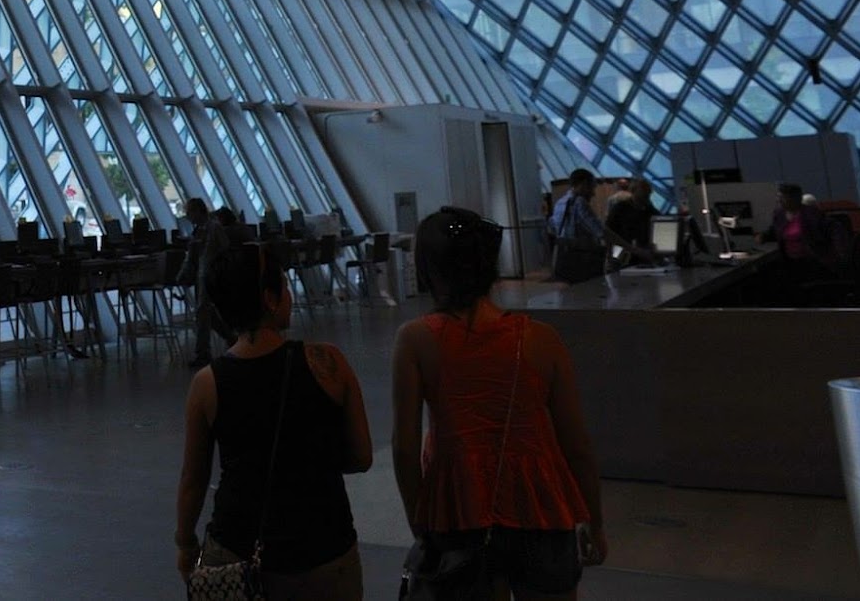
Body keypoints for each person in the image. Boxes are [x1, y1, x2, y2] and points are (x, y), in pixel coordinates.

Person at [393, 207, 606, 600]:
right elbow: (576, 445)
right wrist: (594, 520)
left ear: (430, 270)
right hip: (540, 502)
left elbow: (404, 449)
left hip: (458, 507)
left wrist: (418, 521)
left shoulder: (415, 340)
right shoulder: (541, 339)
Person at [174, 242, 371, 600]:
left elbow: (193, 479)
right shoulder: (328, 363)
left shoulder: (207, 384)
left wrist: (186, 543)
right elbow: (361, 456)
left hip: (238, 554)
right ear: (269, 298)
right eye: (284, 285)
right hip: (326, 550)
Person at [175, 198, 216, 367]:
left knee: (203, 312)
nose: (188, 217)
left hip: (208, 275)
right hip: (205, 275)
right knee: (206, 313)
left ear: (198, 211)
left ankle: (203, 353)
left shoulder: (209, 229)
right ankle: (227, 340)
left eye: (189, 213)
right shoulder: (204, 229)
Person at [603, 177, 659, 261]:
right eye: (644, 195)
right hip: (632, 252)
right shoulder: (649, 210)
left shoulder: (619, 206)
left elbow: (608, 229)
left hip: (625, 252)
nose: (645, 198)